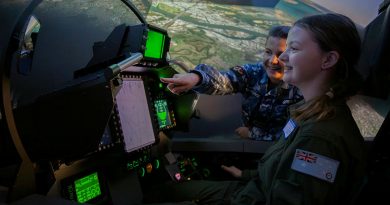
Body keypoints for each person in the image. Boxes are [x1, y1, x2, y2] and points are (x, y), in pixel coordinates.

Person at [144, 13, 367, 205]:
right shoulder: (310, 111)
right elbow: (229, 79)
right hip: (256, 184)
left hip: (254, 195)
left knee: (163, 195)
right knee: (167, 191)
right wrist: (247, 175)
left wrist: (254, 140)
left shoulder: (320, 138)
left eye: (294, 48)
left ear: (328, 60)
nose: (281, 58)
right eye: (273, 51)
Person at [161, 26, 303, 141]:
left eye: (280, 54)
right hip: (247, 139)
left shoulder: (300, 88)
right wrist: (197, 77)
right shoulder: (254, 72)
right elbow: (225, 80)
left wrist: (253, 134)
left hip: (275, 151)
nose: (272, 60)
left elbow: (294, 135)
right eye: (268, 52)